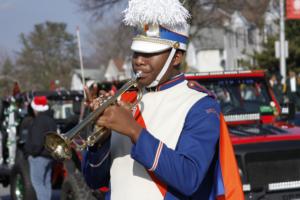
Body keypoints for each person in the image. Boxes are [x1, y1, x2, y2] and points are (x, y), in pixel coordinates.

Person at [82, 0, 243, 199]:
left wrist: (133, 130)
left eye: (150, 53)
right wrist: (101, 140)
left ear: (177, 57)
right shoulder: (125, 99)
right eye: (137, 52)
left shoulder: (200, 105)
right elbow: (94, 180)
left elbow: (189, 177)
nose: (139, 60)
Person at [25, 96, 56, 200]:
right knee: (46, 183)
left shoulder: (39, 121)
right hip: (49, 156)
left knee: (38, 184)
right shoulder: (51, 119)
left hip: (39, 156)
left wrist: (31, 152)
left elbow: (37, 142)